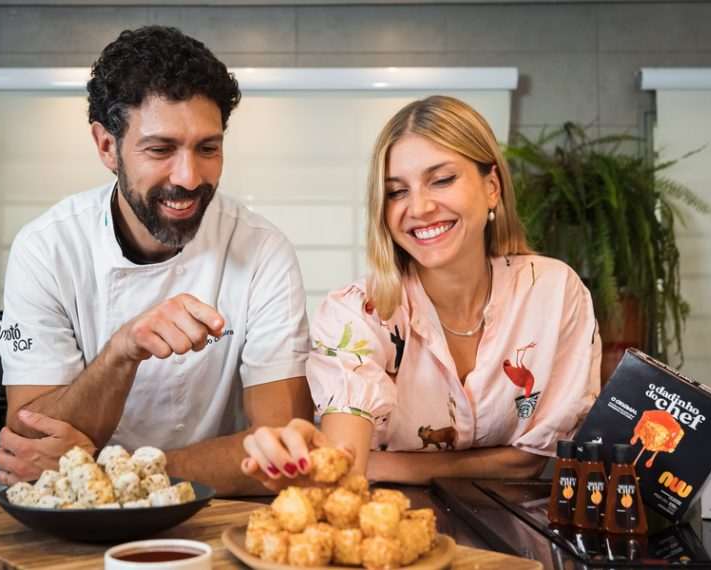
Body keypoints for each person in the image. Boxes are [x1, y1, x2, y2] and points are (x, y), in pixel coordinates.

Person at [0, 26, 313, 496]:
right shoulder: (47, 249)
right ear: (107, 147)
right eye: (160, 149)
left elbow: (284, 453)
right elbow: (30, 445)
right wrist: (124, 350)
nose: (188, 178)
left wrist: (116, 474)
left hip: (208, 522)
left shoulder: (263, 251)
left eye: (208, 148)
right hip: (72, 530)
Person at [241, 96, 601, 489]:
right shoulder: (355, 313)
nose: (420, 207)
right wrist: (342, 465)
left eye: (442, 179)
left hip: (518, 541)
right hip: (389, 533)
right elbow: (344, 465)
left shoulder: (553, 292)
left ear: (492, 186)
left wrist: (385, 466)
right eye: (397, 192)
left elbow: (532, 460)